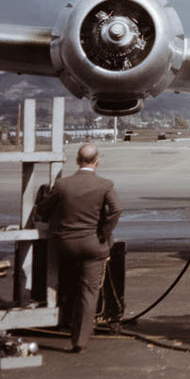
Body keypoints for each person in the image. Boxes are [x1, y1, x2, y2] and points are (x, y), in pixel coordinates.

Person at [37, 143, 122, 352]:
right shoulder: (105, 184)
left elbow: (43, 210)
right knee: (88, 292)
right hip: (93, 245)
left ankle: (64, 321)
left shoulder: (63, 185)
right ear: (97, 161)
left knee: (69, 286)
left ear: (77, 160)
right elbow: (117, 209)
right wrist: (104, 232)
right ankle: (80, 341)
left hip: (66, 245)